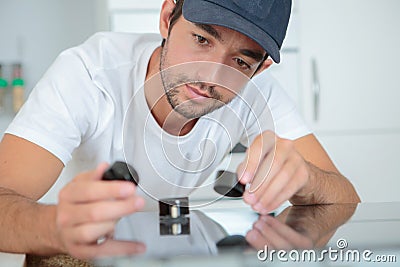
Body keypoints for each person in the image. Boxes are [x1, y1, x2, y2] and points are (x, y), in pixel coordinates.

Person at [0, 0, 360, 260]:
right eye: (202, 39)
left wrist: (306, 178)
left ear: (258, 70)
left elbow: (345, 196)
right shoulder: (88, 73)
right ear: (167, 16)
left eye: (239, 61)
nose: (210, 77)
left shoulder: (257, 92)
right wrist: (54, 226)